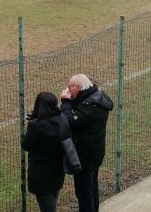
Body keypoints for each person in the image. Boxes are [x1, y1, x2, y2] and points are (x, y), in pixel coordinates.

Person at [61, 74, 114, 212]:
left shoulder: (89, 105)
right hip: (96, 152)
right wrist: (71, 101)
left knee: (84, 192)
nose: (68, 89)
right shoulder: (97, 97)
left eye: (70, 87)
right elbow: (81, 110)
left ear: (78, 88)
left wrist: (65, 102)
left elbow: (70, 121)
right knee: (91, 187)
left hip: (85, 156)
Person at [22, 92, 71, 212]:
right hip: (57, 171)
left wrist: (31, 125)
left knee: (47, 208)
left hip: (41, 175)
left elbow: (26, 145)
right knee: (51, 204)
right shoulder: (62, 120)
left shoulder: (36, 127)